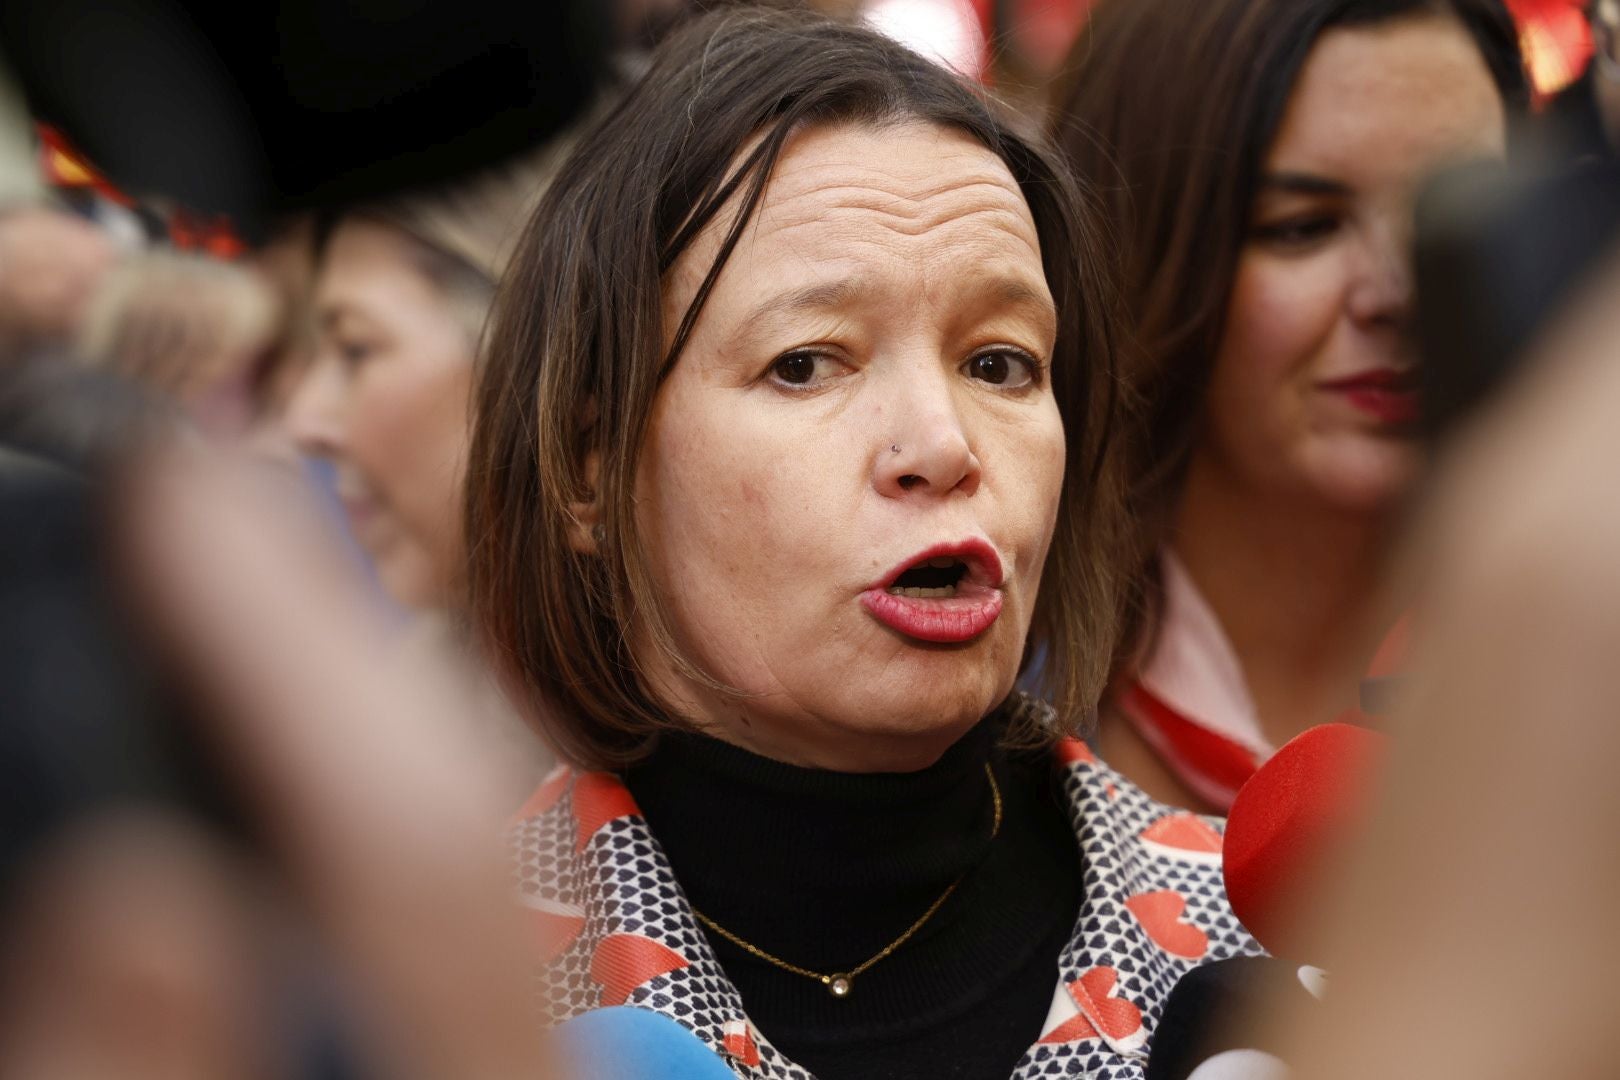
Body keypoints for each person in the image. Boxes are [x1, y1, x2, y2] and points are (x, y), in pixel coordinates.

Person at [468, 9, 1258, 1079]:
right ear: (588, 464)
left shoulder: (1269, 960)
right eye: (806, 363)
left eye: (1001, 363)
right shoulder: (433, 996)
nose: (940, 446)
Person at [1049, 0, 1529, 811]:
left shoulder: (1581, 664)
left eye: (1456, 215)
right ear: (1137, 250)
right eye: (1303, 226)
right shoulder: (983, 710)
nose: (1398, 293)